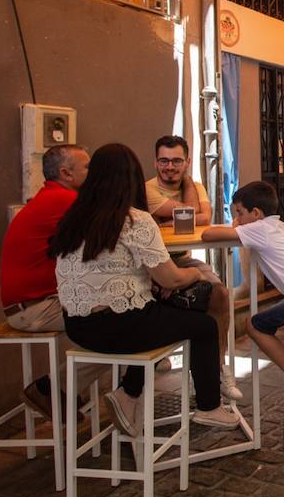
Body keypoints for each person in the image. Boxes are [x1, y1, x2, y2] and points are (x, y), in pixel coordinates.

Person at [49, 143, 241, 434]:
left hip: (78, 327)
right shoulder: (135, 220)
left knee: (156, 314)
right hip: (120, 328)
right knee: (201, 326)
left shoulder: (72, 219)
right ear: (133, 179)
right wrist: (194, 273)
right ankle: (209, 406)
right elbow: (171, 279)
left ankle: (128, 394)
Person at [201, 182, 284, 403]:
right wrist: (239, 222)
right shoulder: (279, 226)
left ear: (256, 213)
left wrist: (235, 225)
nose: (237, 218)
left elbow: (208, 234)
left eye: (239, 213)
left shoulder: (258, 228)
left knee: (254, 325)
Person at [0, 144, 93, 418]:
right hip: (34, 309)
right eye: (87, 167)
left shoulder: (50, 198)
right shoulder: (64, 201)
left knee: (117, 322)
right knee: (117, 325)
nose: (93, 172)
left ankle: (67, 391)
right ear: (66, 173)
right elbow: (113, 235)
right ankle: (54, 388)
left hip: (31, 304)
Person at [146, 135, 239, 402]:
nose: (170, 167)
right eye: (164, 161)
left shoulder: (195, 185)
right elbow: (191, 214)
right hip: (151, 264)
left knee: (220, 293)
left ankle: (219, 367)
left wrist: (166, 222)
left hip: (183, 260)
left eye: (176, 161)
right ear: (155, 162)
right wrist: (189, 204)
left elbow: (205, 218)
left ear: (186, 162)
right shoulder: (148, 189)